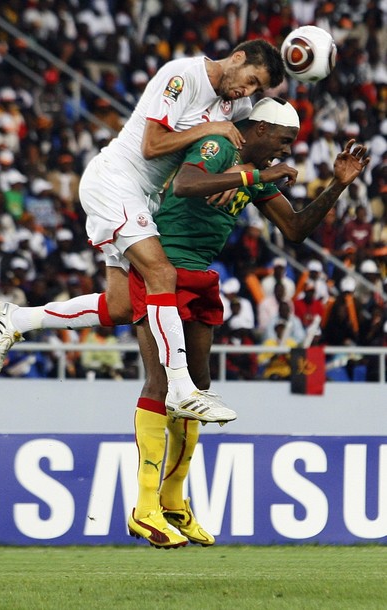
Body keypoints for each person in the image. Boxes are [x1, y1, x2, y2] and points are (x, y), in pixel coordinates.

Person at [0, 40, 285, 426]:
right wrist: (211, 128)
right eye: (251, 80)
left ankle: (18, 319)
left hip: (143, 197)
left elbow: (249, 141)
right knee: (162, 274)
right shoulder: (183, 76)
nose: (248, 91)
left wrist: (241, 170)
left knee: (121, 306)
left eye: (257, 89)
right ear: (238, 58)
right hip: (116, 181)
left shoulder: (236, 104)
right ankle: (182, 389)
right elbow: (151, 145)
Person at [125, 98, 369, 547]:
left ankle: (173, 500)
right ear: (259, 129)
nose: (285, 150)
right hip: (160, 268)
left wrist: (337, 185)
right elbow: (187, 183)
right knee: (161, 383)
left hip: (198, 273)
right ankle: (144, 507)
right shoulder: (221, 146)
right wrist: (253, 176)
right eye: (283, 140)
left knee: (197, 388)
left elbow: (294, 230)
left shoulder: (254, 172)